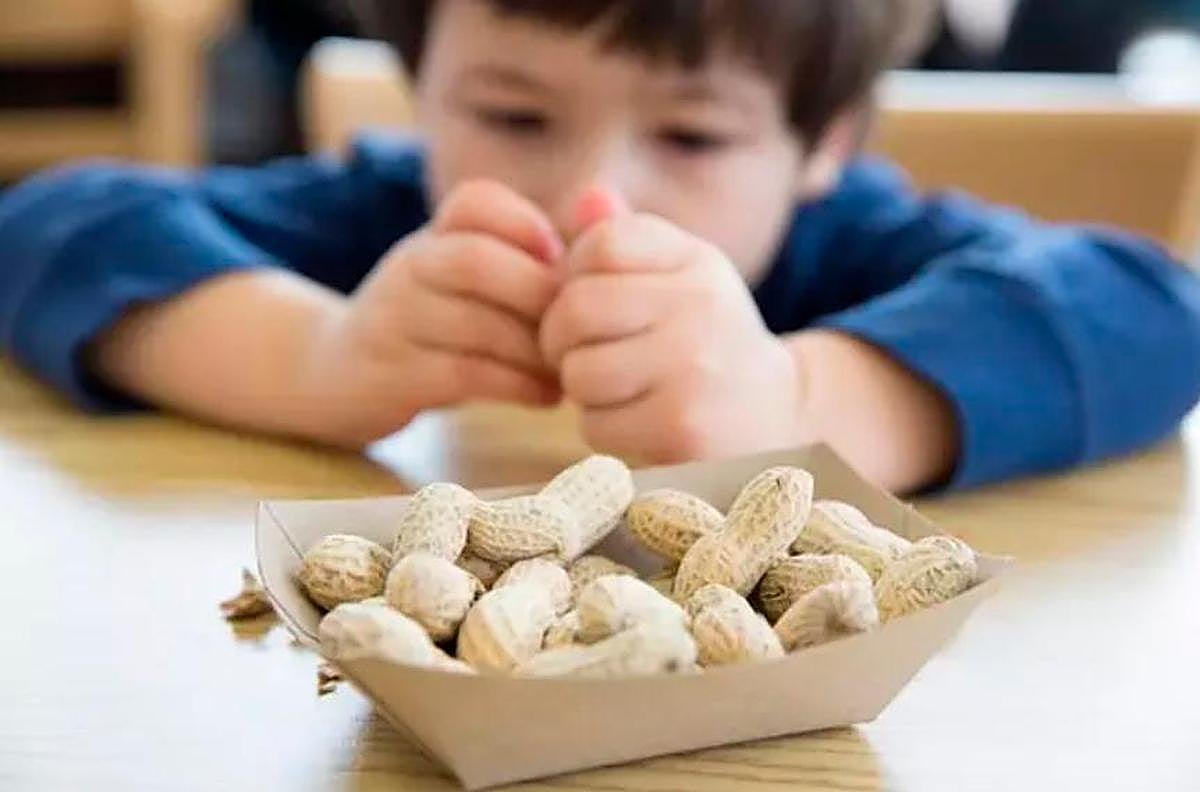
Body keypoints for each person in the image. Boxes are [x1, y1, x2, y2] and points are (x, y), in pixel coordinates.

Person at [1, 0, 1198, 494]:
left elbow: (1151, 308)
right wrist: (316, 354)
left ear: (822, 140)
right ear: (418, 88)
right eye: (514, 117)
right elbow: (52, 224)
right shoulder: (390, 223)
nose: (592, 195)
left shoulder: (855, 244)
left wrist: (798, 397)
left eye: (691, 133)